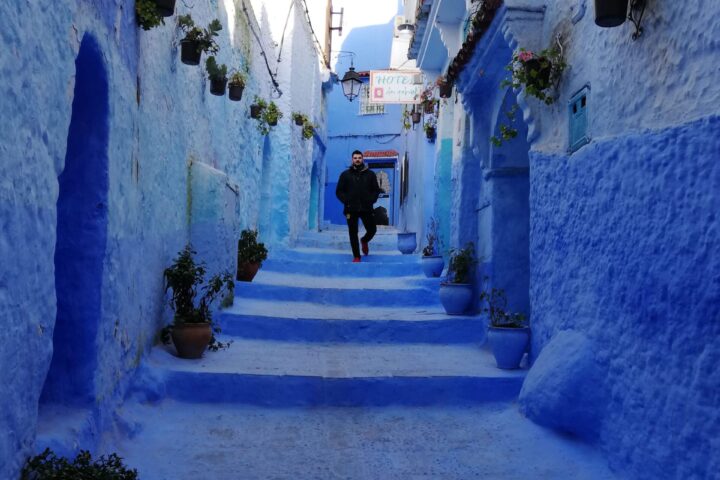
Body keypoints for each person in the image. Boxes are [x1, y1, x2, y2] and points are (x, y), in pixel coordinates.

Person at [335, 150, 383, 262]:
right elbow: (339, 191)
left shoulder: (370, 174)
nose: (357, 159)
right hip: (350, 209)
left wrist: (371, 200)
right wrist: (347, 200)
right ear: (352, 160)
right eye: (355, 158)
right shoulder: (345, 175)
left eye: (359, 158)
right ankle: (356, 256)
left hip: (366, 208)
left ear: (362, 159)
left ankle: (364, 240)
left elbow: (376, 190)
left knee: (372, 230)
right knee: (353, 233)